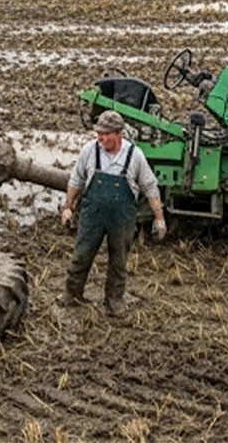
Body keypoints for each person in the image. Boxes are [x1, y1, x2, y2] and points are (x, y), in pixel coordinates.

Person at [59, 110, 166, 317]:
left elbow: (151, 188)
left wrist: (159, 219)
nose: (101, 138)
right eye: (98, 133)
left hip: (122, 217)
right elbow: (76, 180)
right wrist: (68, 207)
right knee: (82, 254)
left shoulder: (135, 155)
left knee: (118, 260)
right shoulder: (90, 150)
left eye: (106, 134)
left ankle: (114, 301)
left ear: (119, 133)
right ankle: (72, 294)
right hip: (93, 215)